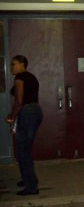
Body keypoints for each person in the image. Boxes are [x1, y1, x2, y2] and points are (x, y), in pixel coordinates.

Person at [5, 55, 43, 196]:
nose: (11, 67)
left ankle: (31, 187)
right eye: (11, 65)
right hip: (34, 112)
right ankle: (29, 178)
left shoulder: (20, 78)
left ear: (22, 64)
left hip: (27, 113)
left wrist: (11, 117)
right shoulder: (30, 77)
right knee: (24, 149)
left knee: (23, 151)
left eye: (14, 64)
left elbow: (19, 101)